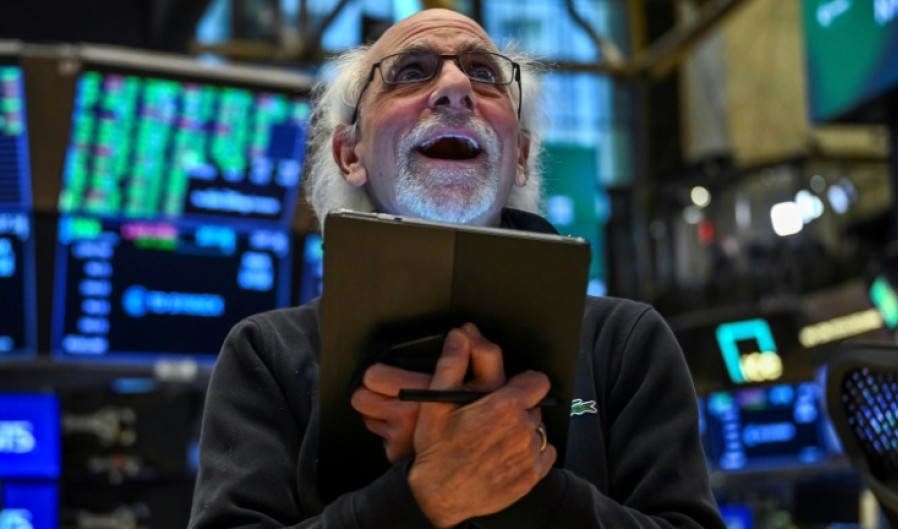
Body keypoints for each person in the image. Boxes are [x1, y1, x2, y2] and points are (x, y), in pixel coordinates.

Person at [189, 8, 725, 529]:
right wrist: (420, 498)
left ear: (520, 155)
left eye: (485, 74)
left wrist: (524, 482)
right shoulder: (267, 356)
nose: (455, 87)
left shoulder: (625, 344)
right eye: (411, 72)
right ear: (349, 154)